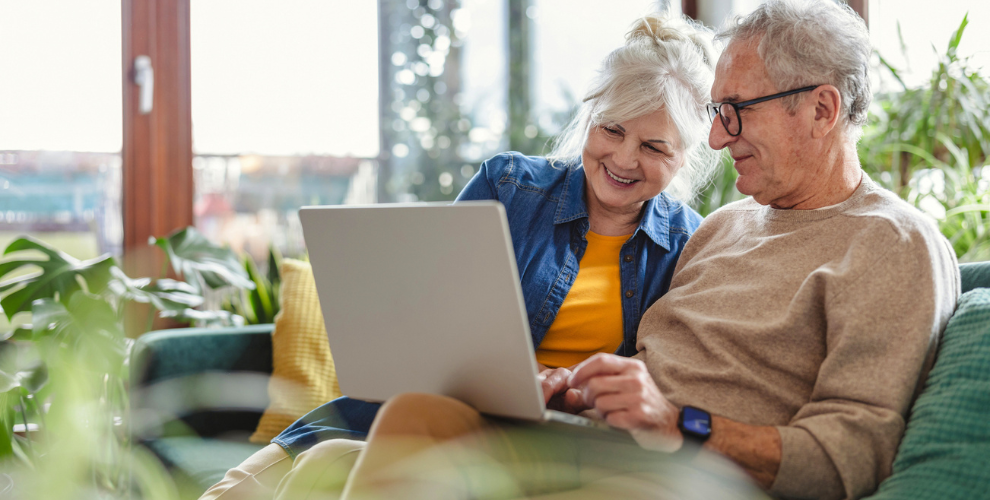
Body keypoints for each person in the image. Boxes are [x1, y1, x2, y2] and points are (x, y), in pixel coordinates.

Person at [263, 1, 960, 499]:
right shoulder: (724, 228)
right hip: (595, 439)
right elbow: (652, 366)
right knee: (377, 437)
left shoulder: (893, 243)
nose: (717, 139)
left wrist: (679, 424)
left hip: (693, 474)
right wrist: (577, 386)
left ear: (822, 109)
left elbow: (850, 454)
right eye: (716, 113)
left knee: (388, 448)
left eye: (735, 112)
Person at [200, 12, 721, 500]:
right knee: (241, 490)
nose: (624, 158)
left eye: (654, 147)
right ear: (589, 119)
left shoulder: (689, 245)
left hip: (546, 442)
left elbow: (664, 385)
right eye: (612, 129)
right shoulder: (509, 187)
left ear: (684, 157)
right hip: (420, 410)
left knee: (323, 466)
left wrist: (576, 388)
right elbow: (429, 324)